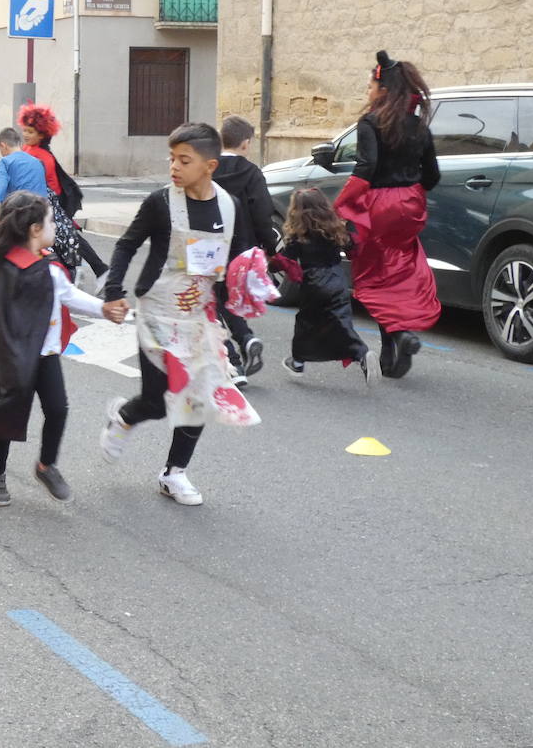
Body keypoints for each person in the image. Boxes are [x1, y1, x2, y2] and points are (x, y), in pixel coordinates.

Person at [98, 122, 260, 507]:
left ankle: (174, 474)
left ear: (210, 166)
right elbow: (126, 245)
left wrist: (241, 325)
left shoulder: (228, 207)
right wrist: (115, 291)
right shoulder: (160, 202)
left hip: (199, 319)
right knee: (156, 402)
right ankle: (123, 417)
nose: (174, 166)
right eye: (171, 158)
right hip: (158, 313)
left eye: (184, 160)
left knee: (198, 399)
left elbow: (230, 271)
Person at [0, 191, 120, 506]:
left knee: (57, 408)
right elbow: (5, 321)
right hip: (13, 357)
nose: (56, 226)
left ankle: (46, 465)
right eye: (51, 221)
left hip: (47, 353)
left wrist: (103, 309)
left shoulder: (49, 265)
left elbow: (69, 295)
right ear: (34, 230)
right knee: (7, 415)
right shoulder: (10, 267)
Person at [334, 50, 440, 378]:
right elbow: (432, 175)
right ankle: (393, 346)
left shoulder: (370, 122)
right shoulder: (418, 124)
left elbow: (366, 168)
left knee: (374, 276)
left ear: (383, 89)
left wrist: (341, 203)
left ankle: (397, 336)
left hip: (379, 204)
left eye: (370, 85)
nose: (367, 91)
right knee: (400, 271)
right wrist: (410, 190)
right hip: (410, 204)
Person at [278, 188, 376, 384]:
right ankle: (361, 353)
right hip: (337, 281)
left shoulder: (299, 234)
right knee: (341, 321)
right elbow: (353, 249)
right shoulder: (336, 229)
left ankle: (297, 362)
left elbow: (284, 260)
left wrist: (269, 262)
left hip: (314, 284)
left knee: (306, 323)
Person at [214, 115, 278, 382]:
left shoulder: (209, 167)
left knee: (211, 302)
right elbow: (263, 214)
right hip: (242, 249)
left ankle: (234, 361)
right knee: (225, 299)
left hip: (209, 244)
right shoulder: (253, 173)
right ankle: (245, 342)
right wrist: (268, 247)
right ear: (246, 143)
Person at [17, 102, 107, 282]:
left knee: (66, 238)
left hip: (50, 203)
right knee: (65, 239)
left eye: (30, 132)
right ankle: (93, 271)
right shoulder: (30, 150)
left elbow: (37, 184)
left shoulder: (41, 157)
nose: (25, 135)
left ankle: (92, 271)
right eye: (24, 130)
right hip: (41, 201)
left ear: (41, 134)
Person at [0, 127, 49, 223]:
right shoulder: (38, 162)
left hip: (17, 215)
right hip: (40, 214)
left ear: (3, 145)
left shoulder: (4, 162)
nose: (1, 153)